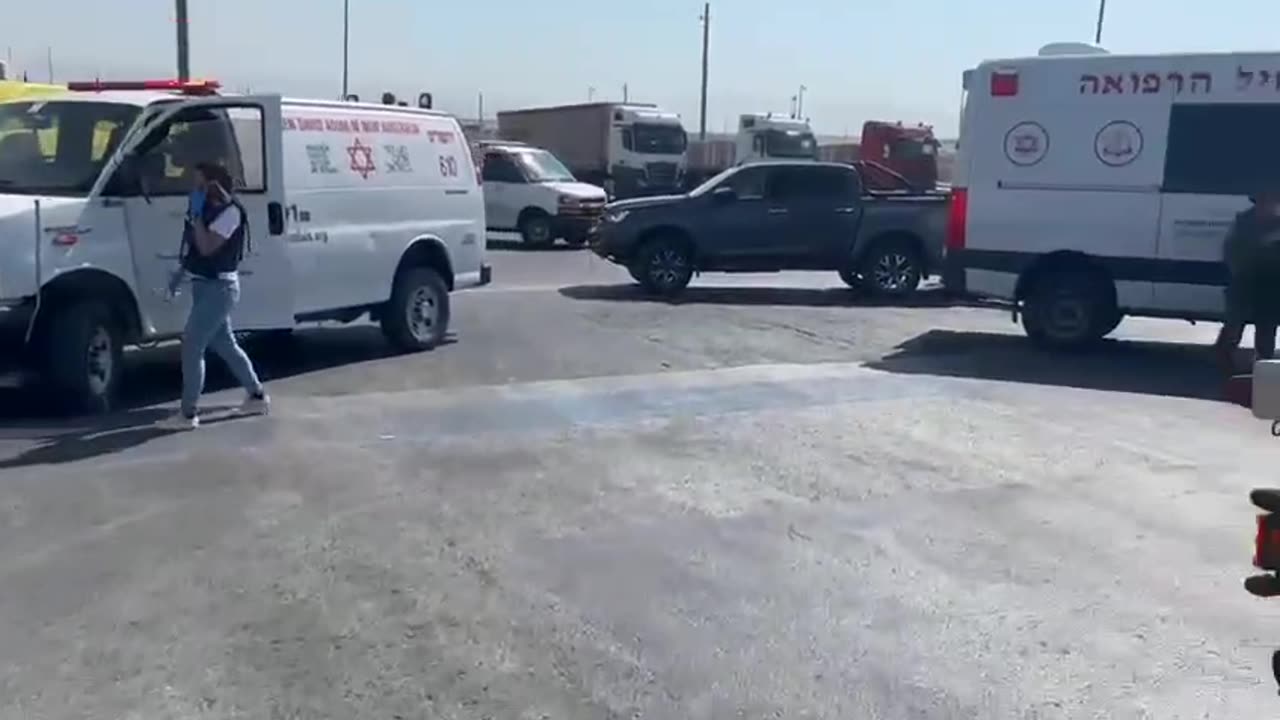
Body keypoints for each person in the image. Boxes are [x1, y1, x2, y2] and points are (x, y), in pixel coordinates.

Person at [159, 162, 270, 430]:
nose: (194, 189)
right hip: (204, 285)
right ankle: (256, 396)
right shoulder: (207, 210)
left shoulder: (230, 213)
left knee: (192, 345)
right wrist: (178, 276)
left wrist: (197, 215)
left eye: (199, 183)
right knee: (225, 345)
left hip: (220, 288)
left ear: (213, 184)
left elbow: (208, 247)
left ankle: (188, 414)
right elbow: (194, 250)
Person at [1215, 187, 1280, 375]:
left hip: (1271, 284)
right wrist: (1241, 270)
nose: (1270, 205)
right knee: (1234, 326)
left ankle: (1263, 368)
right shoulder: (1243, 221)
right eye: (1266, 200)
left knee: (1267, 328)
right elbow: (1230, 250)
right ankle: (1224, 361)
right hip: (1244, 281)